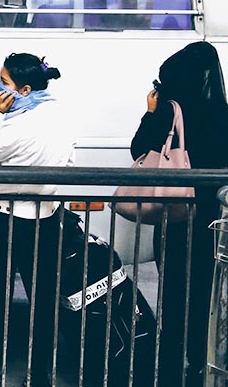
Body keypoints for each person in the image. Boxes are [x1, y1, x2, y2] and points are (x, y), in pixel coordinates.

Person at [0, 53, 74, 387]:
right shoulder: (60, 118)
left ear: (24, 89)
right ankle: (41, 375)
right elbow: (69, 163)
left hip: (5, 220)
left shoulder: (16, 125)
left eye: (4, 82)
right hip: (48, 218)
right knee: (43, 300)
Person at [129, 41, 228, 387]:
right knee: (207, 292)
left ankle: (171, 364)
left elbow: (139, 150)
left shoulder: (171, 112)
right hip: (214, 220)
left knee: (173, 291)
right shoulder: (223, 112)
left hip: (176, 216)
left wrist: (149, 112)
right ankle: (203, 363)